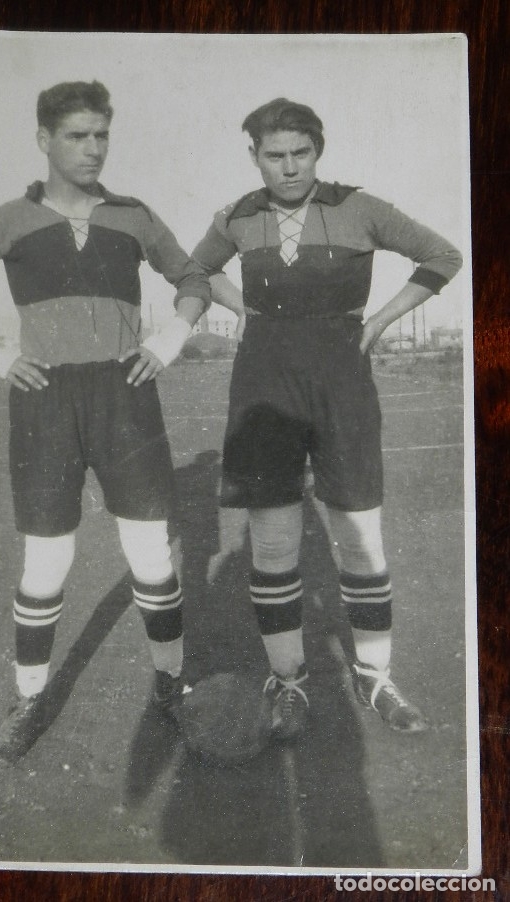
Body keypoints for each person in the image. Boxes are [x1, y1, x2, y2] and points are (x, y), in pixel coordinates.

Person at [0, 81, 210, 761]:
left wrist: (166, 343)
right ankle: (28, 699)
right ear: (44, 141)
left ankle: (170, 686)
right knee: (46, 560)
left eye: (101, 135)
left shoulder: (134, 215)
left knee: (150, 555)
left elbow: (195, 281)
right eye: (76, 136)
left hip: (125, 393)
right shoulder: (7, 219)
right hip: (43, 398)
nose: (92, 148)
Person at [192, 98, 462, 740]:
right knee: (275, 543)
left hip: (343, 379)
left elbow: (443, 256)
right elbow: (194, 269)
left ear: (319, 150)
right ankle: (289, 683)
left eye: (301, 153)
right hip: (264, 381)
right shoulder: (235, 216)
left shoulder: (361, 208)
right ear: (253, 155)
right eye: (274, 155)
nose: (288, 168)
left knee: (360, 535)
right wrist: (242, 310)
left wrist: (377, 321)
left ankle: (375, 677)